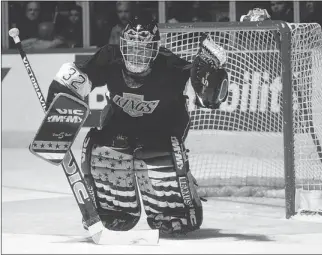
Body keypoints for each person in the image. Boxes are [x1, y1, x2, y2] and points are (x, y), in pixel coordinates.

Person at [44, 14, 229, 235]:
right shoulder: (110, 57)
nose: (136, 54)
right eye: (132, 47)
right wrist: (59, 102)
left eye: (143, 48)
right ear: (123, 45)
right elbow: (79, 75)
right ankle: (113, 210)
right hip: (119, 125)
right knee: (104, 152)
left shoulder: (171, 66)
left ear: (155, 48)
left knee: (157, 157)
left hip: (162, 129)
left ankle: (176, 210)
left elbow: (206, 98)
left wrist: (211, 76)